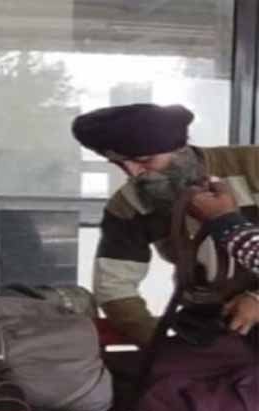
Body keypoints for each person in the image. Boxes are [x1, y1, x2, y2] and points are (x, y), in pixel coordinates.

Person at [71, 102, 259, 344]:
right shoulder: (129, 204)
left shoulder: (253, 165)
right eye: (119, 163)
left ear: (180, 149)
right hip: (211, 327)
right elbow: (114, 286)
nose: (133, 173)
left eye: (145, 160)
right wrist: (156, 342)